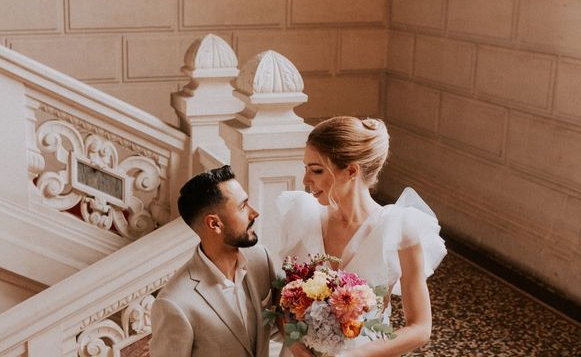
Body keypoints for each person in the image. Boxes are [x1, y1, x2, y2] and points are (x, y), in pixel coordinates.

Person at [271, 116, 447, 357]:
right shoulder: (302, 216)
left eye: (317, 170)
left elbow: (420, 328)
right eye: (305, 168)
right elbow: (283, 303)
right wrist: (295, 345)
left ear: (351, 170)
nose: (305, 180)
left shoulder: (399, 228)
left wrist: (354, 355)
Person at [150, 165, 276, 357]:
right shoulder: (174, 304)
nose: (254, 213)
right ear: (214, 224)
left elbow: (280, 323)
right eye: (243, 206)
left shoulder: (261, 260)